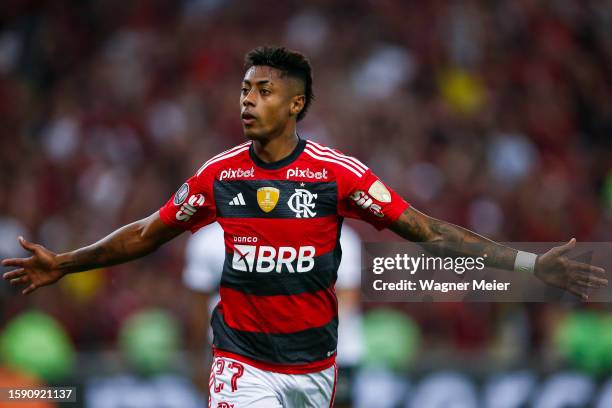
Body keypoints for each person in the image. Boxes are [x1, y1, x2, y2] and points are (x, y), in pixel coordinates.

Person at [1, 46, 607, 408]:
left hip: (315, 369)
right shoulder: (219, 177)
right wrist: (67, 262)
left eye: (263, 92)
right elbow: (145, 233)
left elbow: (430, 233)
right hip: (242, 363)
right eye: (243, 90)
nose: (247, 102)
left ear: (295, 105)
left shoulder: (337, 177)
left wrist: (529, 266)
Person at [183, 222, 364, 401]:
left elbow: (347, 299)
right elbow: (199, 310)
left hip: (328, 356)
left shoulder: (338, 235)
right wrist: (198, 360)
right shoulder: (210, 239)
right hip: (240, 357)